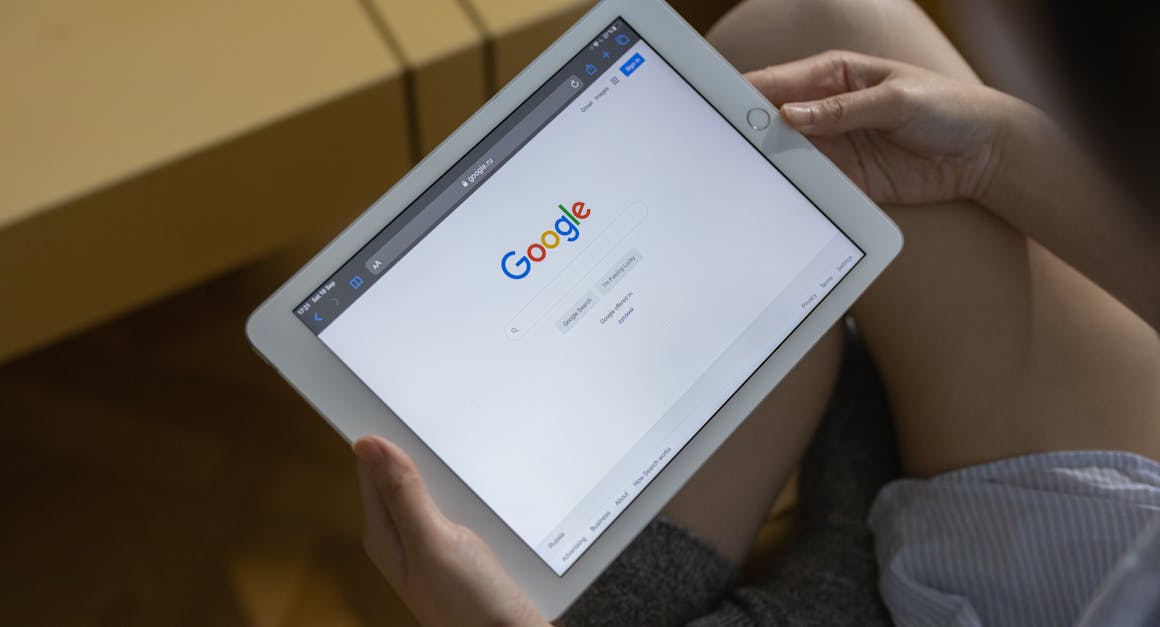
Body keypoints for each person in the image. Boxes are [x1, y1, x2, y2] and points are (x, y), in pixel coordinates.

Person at [352, 0, 1160, 625]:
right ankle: (861, 458)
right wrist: (998, 151)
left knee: (506, 563)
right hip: (1080, 533)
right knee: (813, 48)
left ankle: (857, 492)